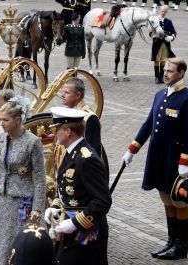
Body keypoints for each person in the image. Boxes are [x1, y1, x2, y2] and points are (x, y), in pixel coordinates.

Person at [121, 57, 188, 260]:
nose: (165, 73)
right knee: (166, 197)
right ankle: (171, 241)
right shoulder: (160, 95)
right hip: (158, 156)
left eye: (170, 71)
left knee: (179, 201)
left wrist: (185, 163)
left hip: (175, 159)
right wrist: (132, 149)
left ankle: (181, 246)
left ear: (181, 73)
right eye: (164, 70)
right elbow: (148, 125)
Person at [0, 98, 46, 265]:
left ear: (18, 120)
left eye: (5, 120)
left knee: (17, 243)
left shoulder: (33, 142)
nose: (1, 123)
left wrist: (38, 207)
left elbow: (40, 177)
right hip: (2, 199)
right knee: (0, 242)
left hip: (22, 202)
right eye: (0, 119)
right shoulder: (1, 138)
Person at [45, 107, 111, 265]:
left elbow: (102, 201)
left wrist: (75, 223)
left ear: (68, 131)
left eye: (57, 129)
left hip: (85, 231)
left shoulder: (87, 159)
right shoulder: (71, 152)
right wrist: (55, 206)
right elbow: (67, 188)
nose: (55, 134)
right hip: (69, 228)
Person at [61, 77, 102, 158]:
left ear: (78, 95)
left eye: (67, 92)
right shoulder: (65, 112)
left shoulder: (89, 118)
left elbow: (92, 153)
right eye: (63, 92)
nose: (62, 95)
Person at [151, 5, 176, 84]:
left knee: (163, 61)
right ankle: (156, 77)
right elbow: (151, 31)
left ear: (167, 12)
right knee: (156, 60)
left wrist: (171, 37)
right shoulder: (155, 20)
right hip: (157, 43)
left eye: (164, 12)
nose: (163, 13)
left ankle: (161, 76)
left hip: (165, 44)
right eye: (162, 11)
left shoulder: (168, 21)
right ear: (160, 10)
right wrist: (153, 35)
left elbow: (173, 32)